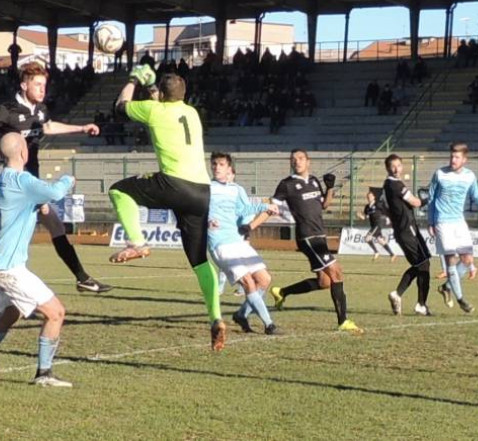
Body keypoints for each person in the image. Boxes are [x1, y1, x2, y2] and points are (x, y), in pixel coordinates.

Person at [107, 65, 228, 351]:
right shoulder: (192, 113)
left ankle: (137, 242)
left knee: (118, 190)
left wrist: (134, 79)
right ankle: (216, 317)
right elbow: (161, 101)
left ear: (161, 94)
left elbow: (120, 106)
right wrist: (153, 86)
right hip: (201, 191)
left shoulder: (154, 110)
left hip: (174, 183)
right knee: (199, 261)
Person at [0, 62, 112, 294]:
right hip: (17, 181)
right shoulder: (6, 109)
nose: (42, 89)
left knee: (16, 232)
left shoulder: (40, 110)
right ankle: (81, 278)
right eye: (37, 84)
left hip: (31, 177)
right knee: (44, 227)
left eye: (44, 85)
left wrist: (81, 128)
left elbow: (49, 127)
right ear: (24, 85)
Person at [0, 133, 74, 387]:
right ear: (24, 153)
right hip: (9, 266)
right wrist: (68, 179)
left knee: (11, 312)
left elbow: (20, 205)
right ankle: (44, 374)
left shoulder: (1, 180)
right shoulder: (22, 180)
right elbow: (55, 192)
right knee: (56, 313)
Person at [269, 149, 363, 333]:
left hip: (320, 235)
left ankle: (282, 292)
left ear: (308, 161)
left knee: (325, 282)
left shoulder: (313, 181)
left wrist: (330, 188)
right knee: (336, 272)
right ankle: (343, 321)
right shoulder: (287, 184)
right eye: (293, 159)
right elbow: (272, 206)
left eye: (300, 158)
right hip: (307, 236)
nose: (297, 162)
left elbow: (324, 205)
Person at [208, 152, 280, 335]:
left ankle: (241, 314)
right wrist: (207, 221)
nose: (217, 167)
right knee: (248, 281)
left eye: (221, 164)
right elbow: (196, 210)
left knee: (264, 279)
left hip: (237, 241)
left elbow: (244, 209)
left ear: (229, 168)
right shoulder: (206, 188)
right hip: (220, 243)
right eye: (214, 164)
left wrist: (266, 206)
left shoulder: (235, 189)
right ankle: (269, 324)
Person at [428, 142, 478, 313]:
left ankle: (446, 287)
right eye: (452, 156)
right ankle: (461, 300)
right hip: (443, 222)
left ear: (464, 159)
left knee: (467, 260)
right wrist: (431, 222)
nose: (453, 160)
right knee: (451, 260)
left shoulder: (469, 176)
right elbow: (431, 199)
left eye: (457, 157)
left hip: (459, 222)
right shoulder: (440, 174)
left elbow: (476, 195)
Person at [382, 155, 432, 316]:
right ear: (387, 168)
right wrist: (430, 198)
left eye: (398, 165)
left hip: (403, 230)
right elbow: (415, 202)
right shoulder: (396, 185)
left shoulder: (387, 185)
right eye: (393, 166)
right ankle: (418, 303)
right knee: (423, 264)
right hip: (408, 230)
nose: (396, 169)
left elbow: (384, 207)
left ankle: (404, 297)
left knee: (421, 265)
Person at [355, 190, 396, 262]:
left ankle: (376, 252)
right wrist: (360, 216)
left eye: (370, 196)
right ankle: (392, 254)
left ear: (373, 197)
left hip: (378, 224)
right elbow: (365, 217)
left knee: (367, 238)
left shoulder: (377, 204)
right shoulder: (367, 207)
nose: (369, 198)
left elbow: (385, 211)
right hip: (373, 225)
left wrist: (388, 218)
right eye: (368, 197)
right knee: (380, 240)